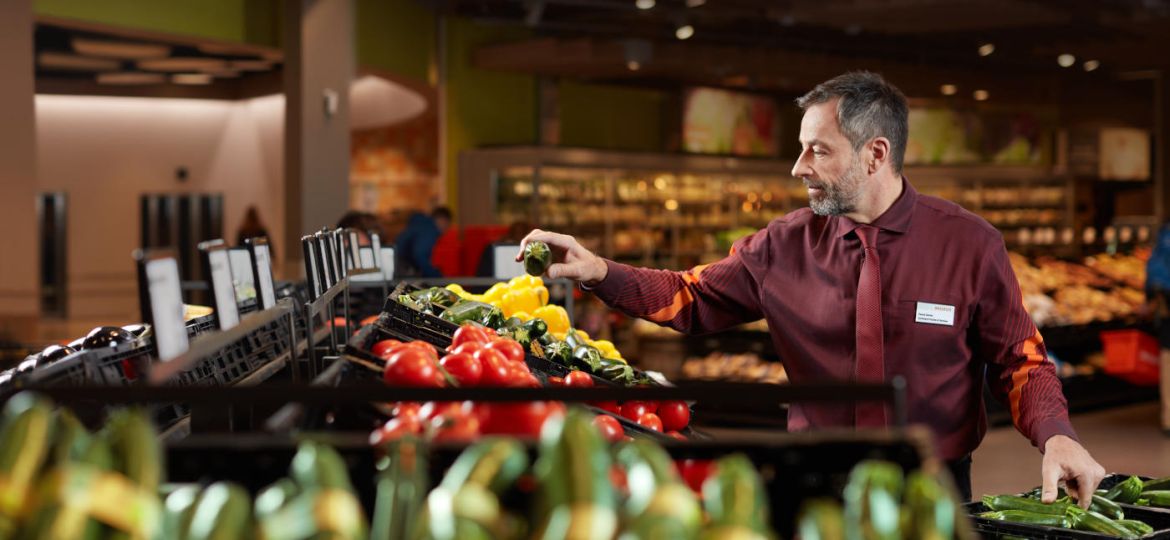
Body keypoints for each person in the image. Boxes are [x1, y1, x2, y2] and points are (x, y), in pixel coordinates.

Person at [519, 71, 1104, 504]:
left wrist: (1057, 435)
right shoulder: (782, 245)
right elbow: (690, 297)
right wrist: (599, 270)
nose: (798, 167)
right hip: (816, 480)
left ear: (876, 155)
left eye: (817, 150)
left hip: (935, 482)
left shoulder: (969, 244)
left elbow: (1019, 360)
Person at [1146, 222, 1170, 437]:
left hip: (1167, 302)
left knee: (1167, 357)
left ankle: (1168, 416)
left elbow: (1154, 270)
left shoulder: (1166, 233)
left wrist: (1151, 297)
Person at [395, 206, 451, 278]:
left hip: (401, 266)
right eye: (447, 223)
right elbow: (420, 254)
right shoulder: (430, 230)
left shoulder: (421, 225)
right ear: (442, 219)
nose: (447, 227)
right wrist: (435, 275)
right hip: (405, 268)